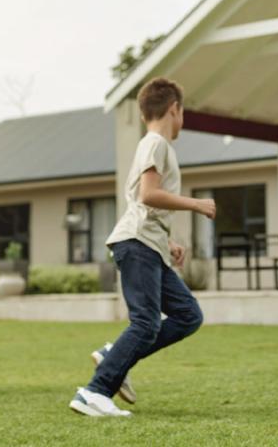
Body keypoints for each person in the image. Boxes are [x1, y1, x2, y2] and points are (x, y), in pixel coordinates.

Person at [69, 78, 216, 417]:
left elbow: (145, 203)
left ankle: (113, 355)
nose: (183, 119)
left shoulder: (154, 145)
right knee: (146, 323)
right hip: (136, 243)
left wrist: (168, 240)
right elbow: (147, 194)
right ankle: (95, 391)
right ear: (174, 108)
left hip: (148, 242)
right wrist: (195, 204)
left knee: (188, 315)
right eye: (183, 112)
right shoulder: (156, 144)